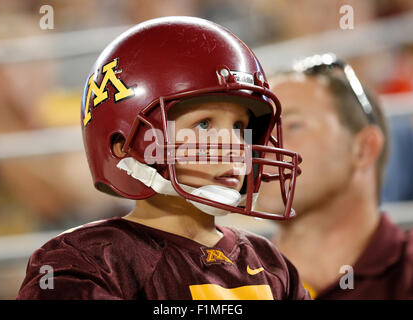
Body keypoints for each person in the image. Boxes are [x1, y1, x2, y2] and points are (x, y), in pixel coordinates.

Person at [17, 17, 309, 300]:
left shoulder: (272, 264)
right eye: (204, 124)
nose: (235, 145)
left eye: (239, 127)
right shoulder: (85, 261)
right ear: (123, 144)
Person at [257, 53, 413, 299]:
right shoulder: (223, 278)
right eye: (259, 131)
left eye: (294, 125)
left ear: (364, 149)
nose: (264, 145)